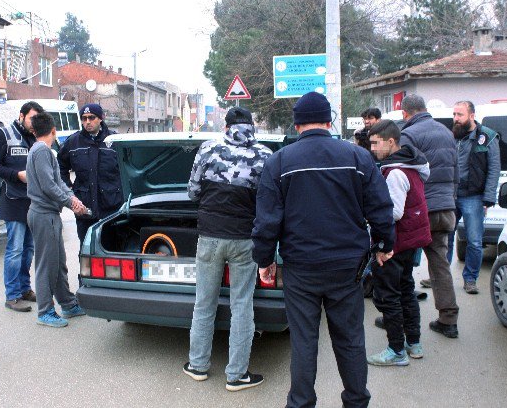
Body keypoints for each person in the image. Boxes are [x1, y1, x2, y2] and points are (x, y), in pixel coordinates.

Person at [252, 92, 395, 408]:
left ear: (296, 123)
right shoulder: (358, 157)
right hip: (347, 267)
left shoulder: (279, 162)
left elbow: (266, 221)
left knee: (304, 341)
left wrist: (264, 260)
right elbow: (381, 208)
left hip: (301, 267)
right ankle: (356, 401)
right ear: (329, 121)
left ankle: (301, 403)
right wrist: (384, 245)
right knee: (350, 339)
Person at [183, 107, 272, 392]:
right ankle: (236, 375)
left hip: (209, 236)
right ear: (252, 126)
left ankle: (197, 366)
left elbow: (193, 191)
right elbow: (268, 202)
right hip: (245, 239)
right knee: (242, 305)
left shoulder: (208, 150)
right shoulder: (264, 155)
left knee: (204, 302)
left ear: (226, 126)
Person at [367, 120, 431, 366]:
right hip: (410, 240)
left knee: (389, 295)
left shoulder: (394, 172)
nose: (372, 148)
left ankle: (396, 351)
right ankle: (413, 343)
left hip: (395, 243)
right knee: (406, 290)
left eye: (376, 143)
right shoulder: (411, 166)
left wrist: (369, 214)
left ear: (391, 141)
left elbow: (392, 212)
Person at [399, 94, 460, 338]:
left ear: (405, 113)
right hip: (445, 208)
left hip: (418, 211)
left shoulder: (409, 135)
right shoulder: (447, 132)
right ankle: (448, 320)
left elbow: (402, 176)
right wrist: (451, 201)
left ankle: (397, 315)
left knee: (400, 264)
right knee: (440, 264)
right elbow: (456, 172)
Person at [26, 112, 88, 327]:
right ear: (53, 130)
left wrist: (72, 198)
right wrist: (71, 203)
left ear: (34, 131)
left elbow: (58, 182)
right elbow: (49, 186)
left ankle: (68, 303)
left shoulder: (43, 151)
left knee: (58, 262)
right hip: (43, 214)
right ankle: (45, 311)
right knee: (46, 265)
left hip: (48, 214)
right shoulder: (42, 151)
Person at [0, 101, 44, 312]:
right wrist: (16, 175)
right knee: (15, 249)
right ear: (21, 115)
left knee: (29, 249)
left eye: (37, 120)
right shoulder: (5, 134)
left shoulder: (36, 137)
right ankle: (12, 296)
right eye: (31, 119)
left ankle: (24, 289)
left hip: (32, 201)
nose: (34, 124)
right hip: (12, 200)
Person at [447, 101, 500, 294]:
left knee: (475, 241)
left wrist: (488, 198)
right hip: (451, 196)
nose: (455, 119)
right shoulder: (452, 136)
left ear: (471, 115)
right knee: (445, 237)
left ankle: (470, 279)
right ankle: (441, 276)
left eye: (459, 114)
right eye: (454, 114)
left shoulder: (487, 137)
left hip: (474, 197)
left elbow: (494, 169)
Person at [58, 103, 123, 246]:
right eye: (84, 118)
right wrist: (69, 192)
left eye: (91, 117)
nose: (87, 122)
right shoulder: (73, 142)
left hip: (112, 207)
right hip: (84, 209)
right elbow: (60, 168)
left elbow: (127, 170)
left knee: (112, 249)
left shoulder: (115, 141)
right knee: (87, 250)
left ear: (101, 118)